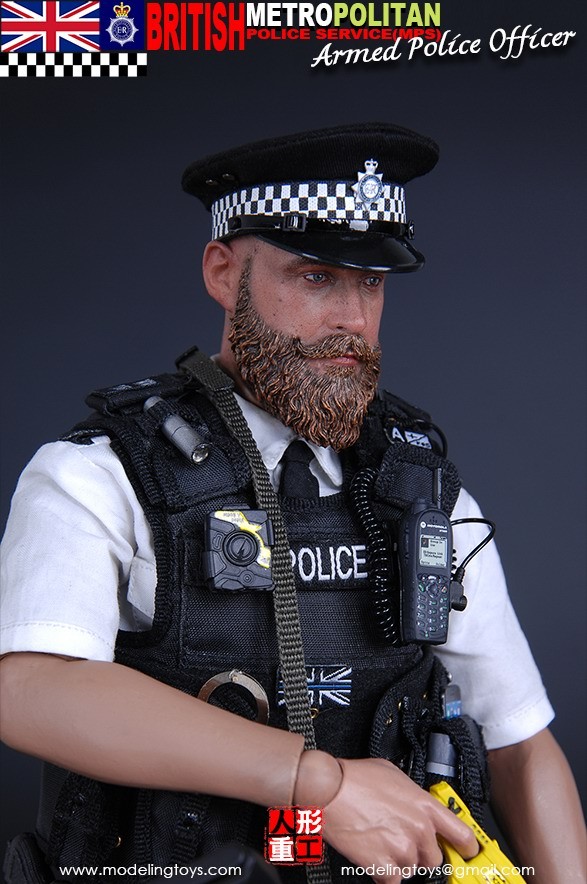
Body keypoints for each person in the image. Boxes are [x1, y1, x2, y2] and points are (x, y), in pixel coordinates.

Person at [0, 123, 585, 884]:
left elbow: (519, 743)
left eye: (370, 283)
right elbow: (31, 690)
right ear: (223, 273)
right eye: (316, 277)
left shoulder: (419, 497)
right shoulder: (104, 477)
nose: (352, 319)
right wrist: (320, 786)